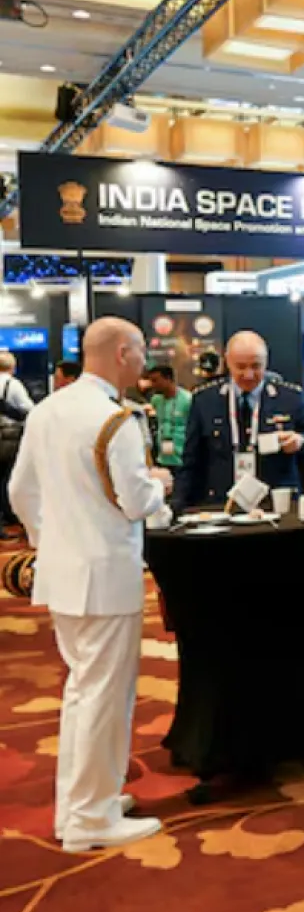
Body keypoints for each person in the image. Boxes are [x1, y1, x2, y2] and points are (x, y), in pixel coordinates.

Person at [9, 318, 172, 852]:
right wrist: (159, 487)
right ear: (122, 352)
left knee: (83, 692)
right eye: (141, 351)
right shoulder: (115, 419)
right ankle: (91, 818)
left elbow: (20, 490)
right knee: (103, 695)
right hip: (105, 574)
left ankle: (83, 805)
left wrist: (50, 539)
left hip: (61, 572)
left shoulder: (49, 409)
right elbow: (135, 502)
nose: (145, 361)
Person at [174, 331, 304, 509]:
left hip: (277, 506)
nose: (248, 375)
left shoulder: (290, 398)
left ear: (266, 362)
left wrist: (302, 441)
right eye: (240, 367)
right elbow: (190, 461)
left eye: (256, 366)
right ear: (227, 362)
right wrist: (177, 506)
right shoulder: (205, 400)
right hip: (222, 505)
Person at [0, 350, 34, 529]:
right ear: (12, 367)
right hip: (8, 437)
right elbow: (29, 410)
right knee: (7, 477)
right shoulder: (12, 385)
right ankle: (8, 517)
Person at [145, 366, 191, 471]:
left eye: (155, 380)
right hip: (162, 458)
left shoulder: (188, 399)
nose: (153, 384)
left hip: (182, 458)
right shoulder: (156, 400)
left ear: (168, 379)